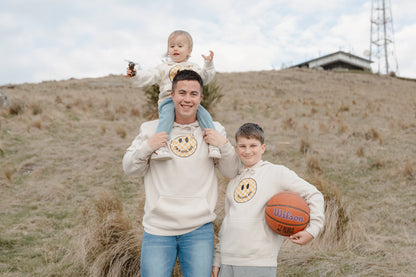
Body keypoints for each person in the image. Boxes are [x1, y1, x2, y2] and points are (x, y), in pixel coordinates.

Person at [123, 70, 239, 277]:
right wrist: (148, 146)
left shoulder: (215, 130)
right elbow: (129, 168)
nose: (187, 99)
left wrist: (224, 145)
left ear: (201, 98)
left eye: (193, 94)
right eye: (182, 93)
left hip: (199, 229)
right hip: (158, 229)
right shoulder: (151, 130)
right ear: (172, 96)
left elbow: (231, 171)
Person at [212, 123, 325, 277]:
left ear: (263, 148)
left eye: (253, 146)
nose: (247, 151)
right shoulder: (234, 179)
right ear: (236, 148)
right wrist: (218, 259)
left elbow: (314, 194)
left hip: (259, 263)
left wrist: (313, 230)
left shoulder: (276, 173)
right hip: (228, 261)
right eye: (242, 146)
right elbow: (227, 222)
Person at [127, 30, 220, 160]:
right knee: (166, 118)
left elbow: (205, 77)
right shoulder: (164, 67)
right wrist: (135, 74)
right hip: (168, 100)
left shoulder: (194, 67)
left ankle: (213, 144)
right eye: (172, 46)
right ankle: (160, 147)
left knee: (205, 115)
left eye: (180, 46)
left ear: (189, 51)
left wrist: (208, 64)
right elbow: (149, 76)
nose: (175, 49)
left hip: (189, 102)